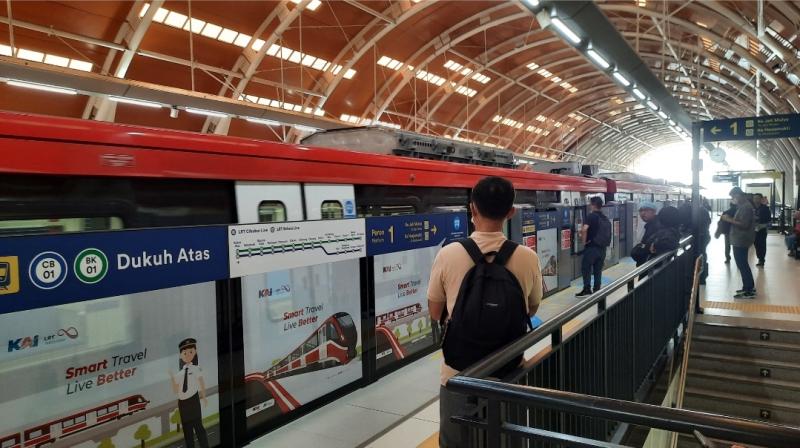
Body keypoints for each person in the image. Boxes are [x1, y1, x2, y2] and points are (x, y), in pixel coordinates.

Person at [428, 176, 543, 448]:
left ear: (472, 209)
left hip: (458, 371)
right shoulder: (527, 256)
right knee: (506, 437)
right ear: (511, 212)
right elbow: (533, 306)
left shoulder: (449, 253)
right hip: (508, 367)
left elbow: (435, 311)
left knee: (456, 440)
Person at [169, 338, 209, 448]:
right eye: (184, 353)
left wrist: (204, 397)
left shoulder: (196, 369)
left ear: (195, 352)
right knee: (187, 432)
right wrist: (172, 378)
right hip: (182, 404)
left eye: (191, 352)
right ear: (181, 355)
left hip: (193, 401)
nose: (187, 355)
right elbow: (175, 390)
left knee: (198, 427)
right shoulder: (180, 373)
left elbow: (201, 383)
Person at [720, 187, 756, 298]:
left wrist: (728, 219)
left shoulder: (745, 207)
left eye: (734, 196)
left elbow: (744, 225)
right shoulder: (744, 206)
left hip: (741, 239)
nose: (733, 199)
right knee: (743, 264)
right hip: (740, 239)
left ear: (739, 195)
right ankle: (748, 287)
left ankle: (748, 290)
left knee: (742, 264)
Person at [577, 196, 611, 296]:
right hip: (602, 248)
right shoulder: (604, 217)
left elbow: (584, 229)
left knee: (586, 268)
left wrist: (584, 242)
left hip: (592, 248)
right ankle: (597, 289)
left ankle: (587, 289)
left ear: (593, 205)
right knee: (598, 270)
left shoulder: (591, 216)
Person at [631, 201, 661, 266]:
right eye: (640, 211)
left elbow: (649, 247)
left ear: (654, 211)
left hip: (650, 265)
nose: (643, 213)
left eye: (646, 210)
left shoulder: (656, 226)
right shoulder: (650, 225)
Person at [752, 193, 771, 267]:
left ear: (761, 199)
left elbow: (769, 221)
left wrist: (763, 225)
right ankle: (759, 258)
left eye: (758, 198)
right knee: (756, 244)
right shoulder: (751, 208)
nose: (756, 200)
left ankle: (762, 260)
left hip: (762, 229)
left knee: (762, 244)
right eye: (755, 198)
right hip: (753, 230)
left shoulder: (765, 209)